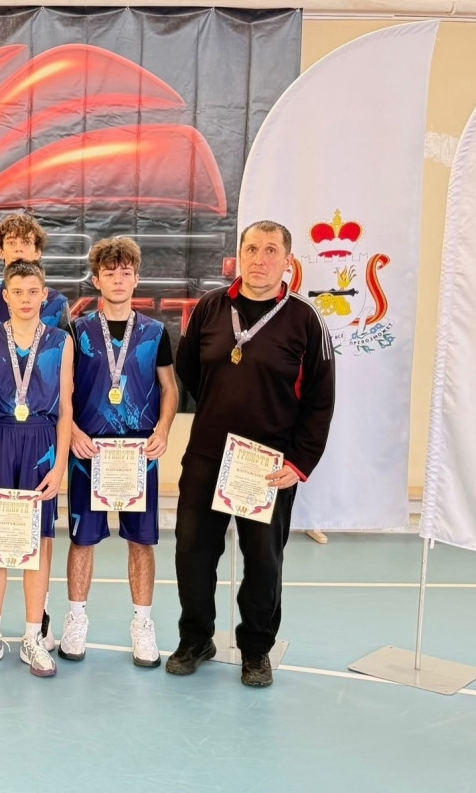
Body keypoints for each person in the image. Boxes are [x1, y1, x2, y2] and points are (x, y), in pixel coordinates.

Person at [167, 221, 336, 688]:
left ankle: (256, 649)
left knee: (263, 561)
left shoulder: (306, 320)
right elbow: (189, 369)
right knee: (192, 552)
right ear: (239, 255)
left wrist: (298, 462)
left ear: (288, 261)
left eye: (271, 250)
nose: (259, 259)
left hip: (267, 465)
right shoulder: (210, 307)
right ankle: (195, 639)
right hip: (207, 455)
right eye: (252, 248)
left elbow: (321, 399)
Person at [61, 238, 179, 668]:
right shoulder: (76, 331)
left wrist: (163, 429)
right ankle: (76, 619)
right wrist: (72, 432)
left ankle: (143, 624)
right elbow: (62, 391)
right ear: (96, 280)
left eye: (125, 272)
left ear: (136, 278)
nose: (117, 279)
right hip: (88, 450)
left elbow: (169, 388)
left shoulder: (155, 332)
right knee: (82, 540)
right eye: (109, 273)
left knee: (142, 541)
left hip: (138, 452)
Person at [0, 260, 74, 677]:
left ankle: (32, 636)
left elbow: (66, 410)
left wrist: (59, 465)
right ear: (5, 296)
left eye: (33, 292)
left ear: (44, 296)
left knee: (38, 543)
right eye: (17, 292)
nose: (26, 299)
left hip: (41, 444)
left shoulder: (61, 341)